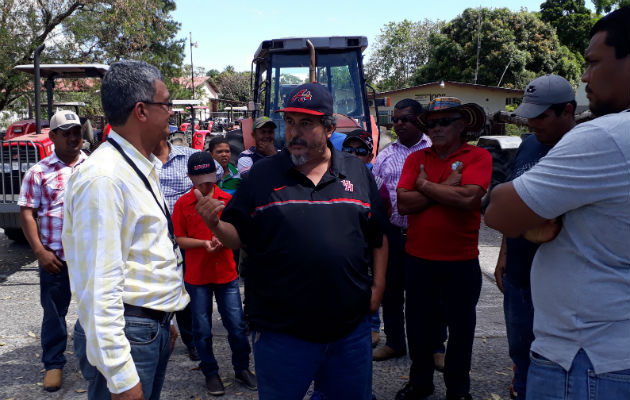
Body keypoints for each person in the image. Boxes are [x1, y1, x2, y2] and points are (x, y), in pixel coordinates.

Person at [194, 82, 389, 400]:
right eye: (291, 122)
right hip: (281, 331)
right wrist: (214, 224)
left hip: (348, 331)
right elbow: (236, 237)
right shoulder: (261, 176)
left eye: (306, 123)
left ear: (328, 128)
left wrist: (378, 288)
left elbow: (378, 235)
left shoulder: (356, 171)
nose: (294, 132)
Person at [485, 7, 630, 400]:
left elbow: (500, 210)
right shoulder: (539, 144)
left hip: (585, 358)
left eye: (594, 63)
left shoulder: (606, 136)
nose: (584, 76)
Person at [62, 60, 190, 400]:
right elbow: (98, 287)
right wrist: (120, 378)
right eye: (166, 105)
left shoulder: (136, 166)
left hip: (149, 328)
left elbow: (148, 251)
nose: (171, 114)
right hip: (131, 335)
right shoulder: (105, 178)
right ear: (141, 111)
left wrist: (167, 317)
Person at [396, 97, 491, 400]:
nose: (435, 128)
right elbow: (403, 204)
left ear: (463, 124)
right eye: (431, 123)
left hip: (460, 262)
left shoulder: (478, 157)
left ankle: (458, 390)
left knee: (461, 331)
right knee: (418, 327)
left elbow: (468, 200)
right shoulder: (417, 158)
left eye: (444, 122)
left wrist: (424, 186)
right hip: (418, 259)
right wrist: (450, 186)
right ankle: (420, 383)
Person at [493, 74, 576, 400]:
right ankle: (521, 385)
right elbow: (516, 204)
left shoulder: (580, 150)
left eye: (541, 116)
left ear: (567, 111)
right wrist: (503, 254)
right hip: (518, 272)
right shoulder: (528, 145)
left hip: (559, 279)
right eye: (530, 114)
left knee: (552, 353)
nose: (532, 122)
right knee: (519, 343)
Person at [172, 151, 255, 396]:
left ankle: (242, 368)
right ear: (190, 177)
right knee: (202, 328)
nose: (206, 184)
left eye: (210, 177)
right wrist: (203, 243)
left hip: (226, 274)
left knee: (237, 326)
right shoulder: (182, 204)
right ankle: (210, 372)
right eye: (200, 179)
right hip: (197, 276)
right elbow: (179, 239)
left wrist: (222, 239)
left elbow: (238, 235)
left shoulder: (226, 200)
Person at [17, 110, 87, 392]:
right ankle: (54, 364)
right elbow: (27, 214)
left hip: (87, 257)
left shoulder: (92, 167)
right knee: (54, 314)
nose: (73, 138)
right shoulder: (38, 172)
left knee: (94, 309)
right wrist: (39, 252)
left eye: (77, 132)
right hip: (54, 258)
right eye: (66, 133)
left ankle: (94, 359)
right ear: (53, 136)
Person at [371, 98, 432, 362]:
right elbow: (374, 195)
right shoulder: (384, 155)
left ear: (420, 120)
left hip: (426, 235)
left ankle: (434, 348)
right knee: (392, 293)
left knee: (428, 296)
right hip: (395, 235)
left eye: (405, 119)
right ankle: (395, 342)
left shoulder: (433, 149)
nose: (398, 124)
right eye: (395, 120)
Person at [153, 138, 221, 363]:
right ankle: (158, 335)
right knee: (160, 288)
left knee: (186, 289)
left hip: (187, 230)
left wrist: (199, 192)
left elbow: (217, 170)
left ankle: (191, 341)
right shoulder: (140, 160)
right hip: (155, 235)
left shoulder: (188, 155)